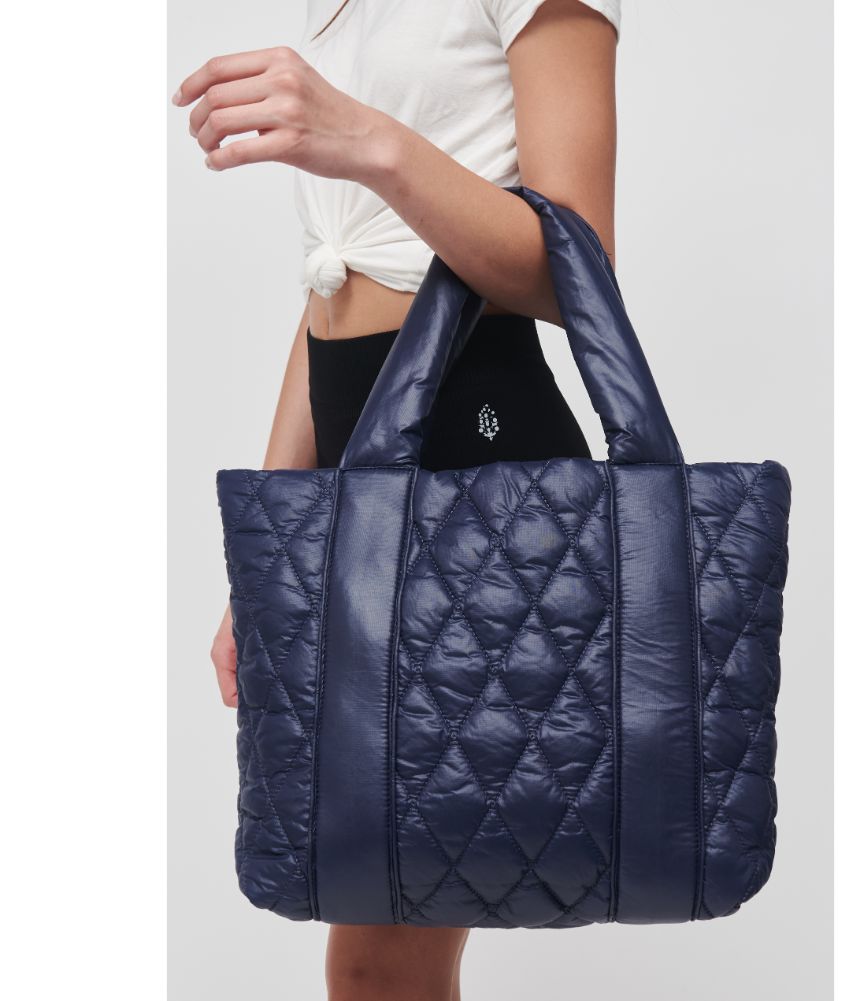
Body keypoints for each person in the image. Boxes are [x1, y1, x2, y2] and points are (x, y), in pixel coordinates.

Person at [173, 1, 620, 997]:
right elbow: (334, 284)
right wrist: (268, 550)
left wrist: (369, 140)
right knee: (381, 942)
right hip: (357, 469)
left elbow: (577, 265)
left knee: (383, 949)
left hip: (479, 479)